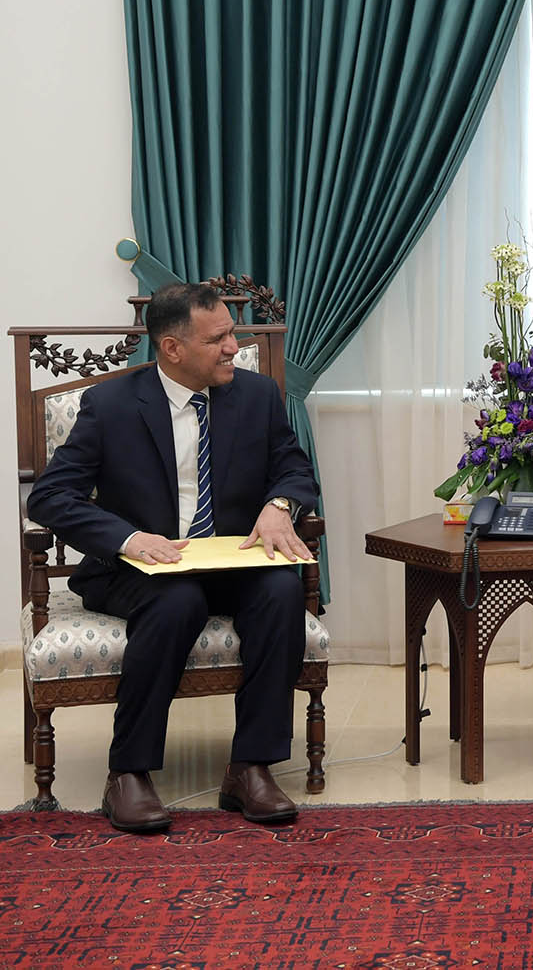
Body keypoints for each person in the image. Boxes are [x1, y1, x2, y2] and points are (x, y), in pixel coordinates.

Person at [28, 282, 319, 832]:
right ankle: (128, 774)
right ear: (172, 348)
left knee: (281, 589)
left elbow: (294, 468)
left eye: (232, 333)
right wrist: (128, 538)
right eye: (220, 338)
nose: (235, 346)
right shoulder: (111, 406)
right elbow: (49, 496)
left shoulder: (257, 396)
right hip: (135, 568)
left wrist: (281, 505)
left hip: (228, 560)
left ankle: (250, 768)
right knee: (176, 599)